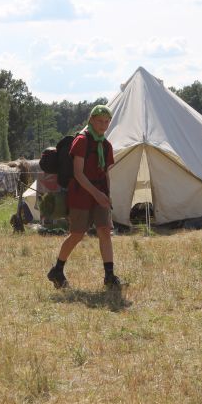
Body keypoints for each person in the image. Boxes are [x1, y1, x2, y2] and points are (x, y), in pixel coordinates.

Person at [47, 104, 121, 289]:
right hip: (81, 193)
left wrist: (107, 196)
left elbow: (105, 173)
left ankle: (109, 276)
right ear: (91, 120)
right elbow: (78, 174)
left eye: (107, 121)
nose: (104, 125)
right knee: (77, 234)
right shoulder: (81, 141)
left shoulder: (106, 145)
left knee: (104, 231)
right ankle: (57, 270)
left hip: (100, 194)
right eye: (100, 121)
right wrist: (97, 194)